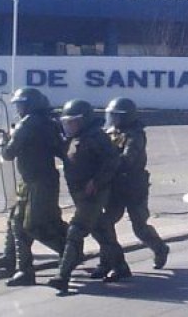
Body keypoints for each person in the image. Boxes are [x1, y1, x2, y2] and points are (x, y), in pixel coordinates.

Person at [91, 97, 169, 282]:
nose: (114, 120)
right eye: (113, 116)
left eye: (118, 117)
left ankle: (159, 248)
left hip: (134, 187)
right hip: (115, 188)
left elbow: (127, 159)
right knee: (105, 224)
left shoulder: (135, 135)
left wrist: (109, 161)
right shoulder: (111, 132)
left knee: (139, 227)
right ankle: (106, 263)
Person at [47, 99, 120, 292]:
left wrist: (96, 181)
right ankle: (121, 267)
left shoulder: (96, 137)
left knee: (75, 231)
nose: (69, 125)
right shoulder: (75, 137)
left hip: (94, 194)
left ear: (84, 120)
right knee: (101, 233)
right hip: (79, 193)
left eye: (73, 121)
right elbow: (65, 153)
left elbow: (112, 161)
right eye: (67, 122)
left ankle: (62, 276)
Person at [0, 87, 68, 286]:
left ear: (30, 105)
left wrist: (6, 141)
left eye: (21, 104)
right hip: (42, 179)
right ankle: (19, 265)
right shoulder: (49, 122)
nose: (18, 108)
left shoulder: (27, 124)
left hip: (35, 181)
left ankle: (69, 252)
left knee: (34, 226)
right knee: (18, 221)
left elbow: (8, 154)